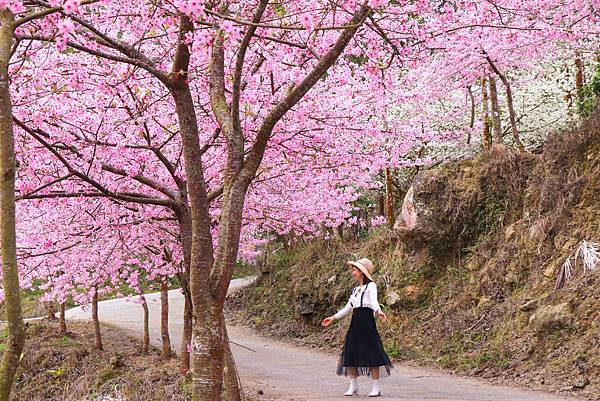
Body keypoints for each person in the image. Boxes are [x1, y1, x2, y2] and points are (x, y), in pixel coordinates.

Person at [321, 258, 393, 397]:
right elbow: (348, 307)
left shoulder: (371, 286)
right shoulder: (355, 290)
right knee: (351, 351)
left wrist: (379, 311)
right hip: (355, 321)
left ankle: (376, 387)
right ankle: (353, 385)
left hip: (367, 320)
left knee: (372, 351)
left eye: (355, 270)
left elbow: (374, 301)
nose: (353, 272)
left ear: (362, 272)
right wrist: (333, 317)